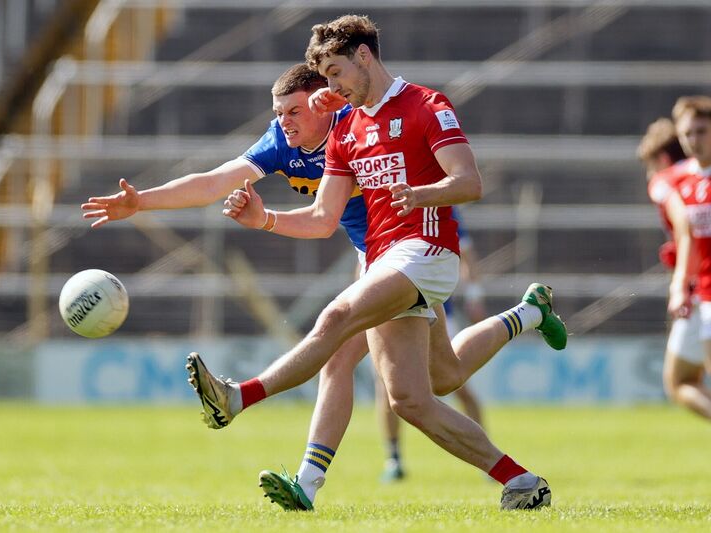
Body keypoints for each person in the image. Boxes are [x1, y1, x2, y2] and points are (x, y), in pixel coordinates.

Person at [187, 14, 566, 511]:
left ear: (364, 56)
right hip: (383, 259)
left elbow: (470, 182)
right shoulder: (347, 130)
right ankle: (522, 475)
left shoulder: (427, 105)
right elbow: (324, 218)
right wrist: (265, 219)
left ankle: (239, 399)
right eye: (326, 79)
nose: (333, 87)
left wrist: (422, 193)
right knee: (422, 392)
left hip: (427, 251)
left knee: (337, 320)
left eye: (337, 73)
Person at [81, 63, 512, 499]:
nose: (282, 122)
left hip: (412, 250)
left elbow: (382, 93)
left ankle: (275, 444)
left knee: (341, 347)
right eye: (278, 112)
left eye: (293, 111)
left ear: (324, 104)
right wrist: (142, 202)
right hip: (376, 257)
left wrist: (342, 96)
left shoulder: (355, 119)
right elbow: (216, 181)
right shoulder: (281, 143)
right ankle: (526, 315)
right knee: (442, 376)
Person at [376, 205, 488, 482]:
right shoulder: (379, 202)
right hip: (393, 315)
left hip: (439, 312)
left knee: (455, 381)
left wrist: (474, 295)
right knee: (386, 388)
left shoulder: (439, 202)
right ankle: (394, 459)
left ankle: (487, 455)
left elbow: (467, 255)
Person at [656, 96, 711, 420]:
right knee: (677, 381)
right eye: (688, 133)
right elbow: (685, 234)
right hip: (696, 294)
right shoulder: (674, 179)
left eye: (702, 131)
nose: (694, 140)